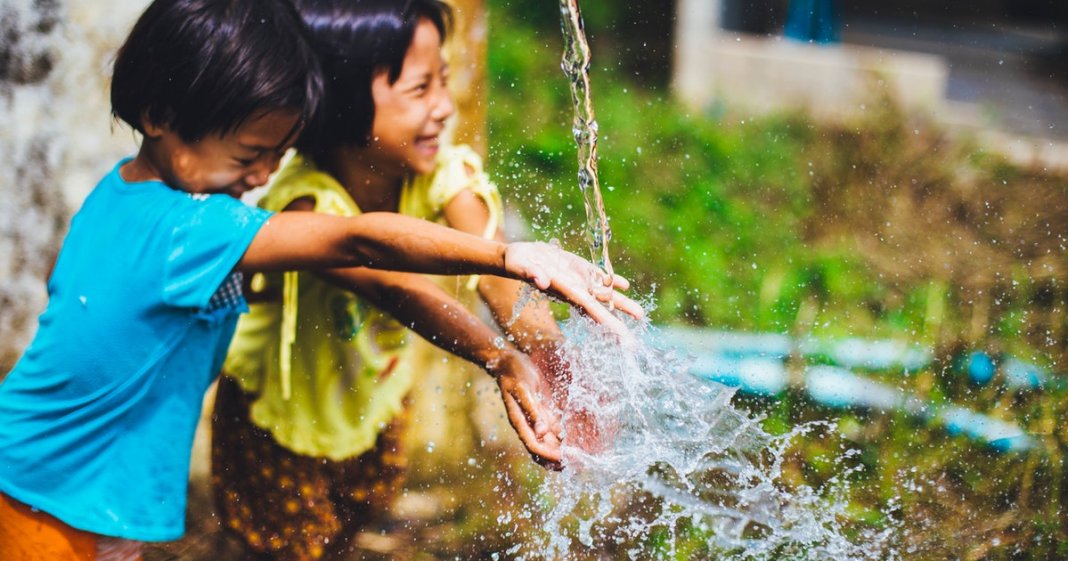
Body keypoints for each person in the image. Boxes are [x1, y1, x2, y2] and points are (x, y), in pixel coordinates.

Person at [0, 0, 639, 559]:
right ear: (161, 114)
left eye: (279, 153)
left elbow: (68, 288)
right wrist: (505, 258)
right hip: (51, 491)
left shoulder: (121, 190)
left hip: (78, 482)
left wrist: (517, 352)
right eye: (251, 156)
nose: (262, 177)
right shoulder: (194, 225)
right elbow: (360, 239)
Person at [209, 1, 633, 559]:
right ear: (341, 104)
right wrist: (497, 357)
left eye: (444, 81)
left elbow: (500, 274)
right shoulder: (305, 204)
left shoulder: (440, 173)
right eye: (419, 90)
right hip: (278, 416)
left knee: (352, 520)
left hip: (374, 397)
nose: (443, 106)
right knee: (285, 548)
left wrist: (549, 355)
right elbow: (392, 285)